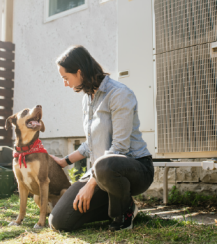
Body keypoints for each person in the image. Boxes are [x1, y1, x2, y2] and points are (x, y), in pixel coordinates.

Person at [49, 45, 154, 231]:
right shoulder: (87, 98)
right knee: (59, 221)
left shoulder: (119, 94)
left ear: (79, 72)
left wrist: (90, 185)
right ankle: (118, 204)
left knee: (104, 165)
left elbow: (120, 148)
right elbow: (91, 144)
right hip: (102, 174)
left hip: (133, 168)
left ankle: (123, 213)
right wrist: (64, 161)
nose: (65, 83)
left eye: (66, 78)